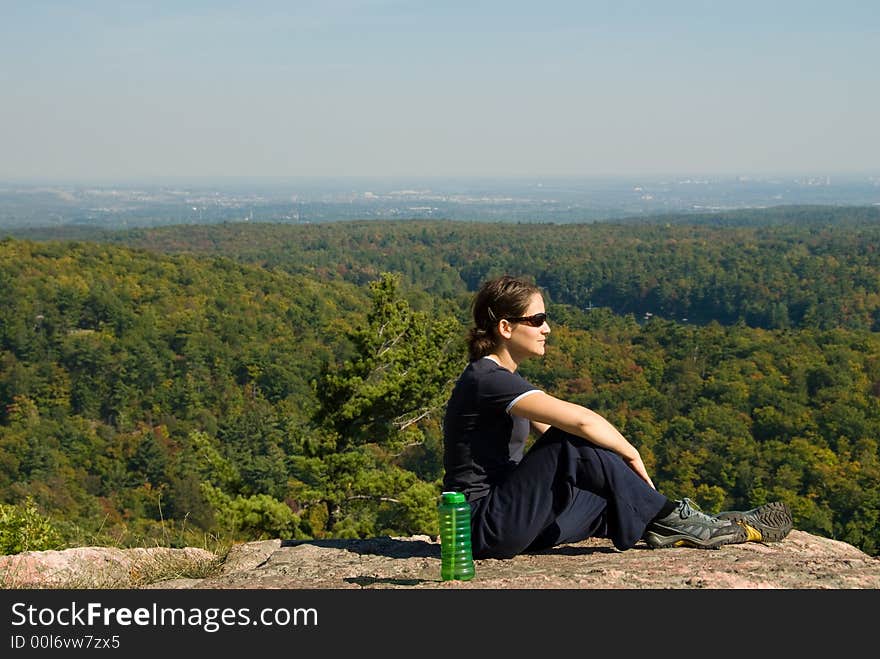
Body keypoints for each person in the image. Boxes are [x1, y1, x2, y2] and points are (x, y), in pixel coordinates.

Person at [442, 275, 792, 559]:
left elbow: (557, 445)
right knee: (575, 441)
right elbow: (578, 426)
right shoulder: (487, 379)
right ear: (505, 327)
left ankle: (695, 525)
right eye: (537, 320)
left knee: (609, 500)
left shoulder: (502, 380)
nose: (547, 328)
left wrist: (613, 474)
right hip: (479, 526)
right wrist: (630, 453)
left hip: (509, 520)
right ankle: (680, 520)